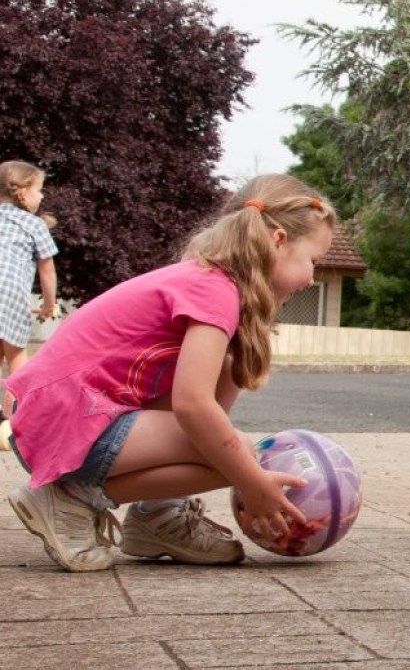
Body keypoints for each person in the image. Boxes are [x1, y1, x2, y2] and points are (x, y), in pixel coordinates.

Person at [4, 173, 336, 572]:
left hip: (67, 416)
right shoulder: (216, 291)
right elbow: (193, 407)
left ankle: (157, 516)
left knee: (229, 367)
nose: (312, 278)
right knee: (238, 454)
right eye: (313, 261)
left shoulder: (209, 282)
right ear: (278, 240)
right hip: (64, 423)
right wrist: (250, 481)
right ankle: (70, 498)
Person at [0, 161, 59, 424]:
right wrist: (49, 304)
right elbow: (47, 271)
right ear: (23, 193)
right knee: (16, 356)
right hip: (10, 295)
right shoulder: (33, 225)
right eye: (39, 189)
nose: (43, 195)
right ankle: (14, 418)